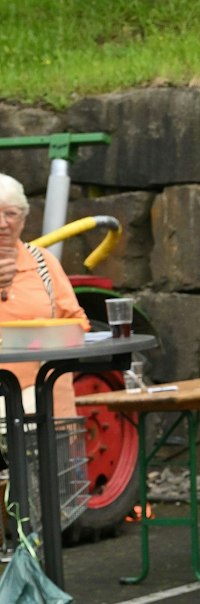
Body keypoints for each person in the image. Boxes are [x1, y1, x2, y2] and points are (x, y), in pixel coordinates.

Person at [0, 174, 89, 547]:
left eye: (12, 214)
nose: (4, 224)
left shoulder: (42, 263)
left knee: (41, 495)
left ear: (24, 218)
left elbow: (77, 319)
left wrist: (46, 334)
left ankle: (32, 559)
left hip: (38, 395)